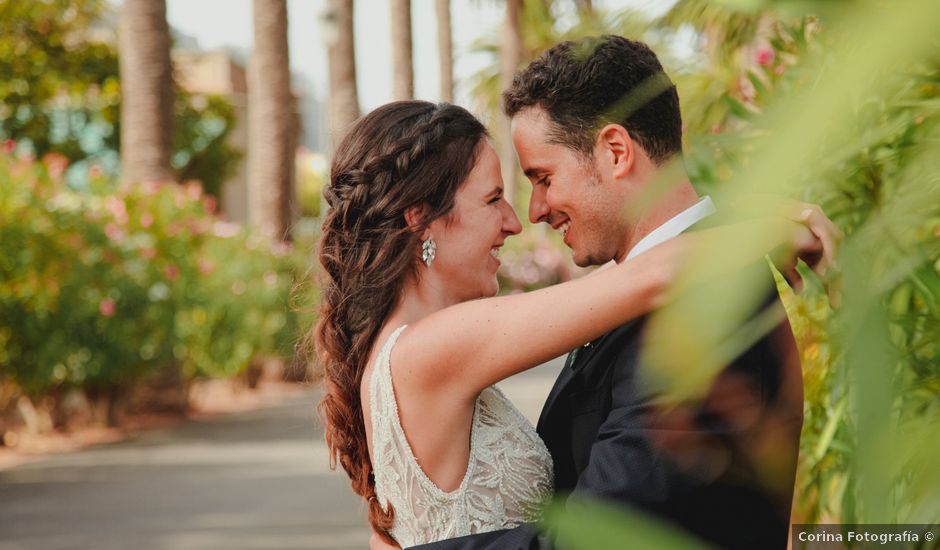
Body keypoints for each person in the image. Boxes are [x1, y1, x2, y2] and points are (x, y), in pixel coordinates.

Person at [358, 36, 837, 550]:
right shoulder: (666, 283)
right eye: (498, 197)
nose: (530, 214)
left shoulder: (707, 306)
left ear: (615, 151)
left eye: (542, 178)